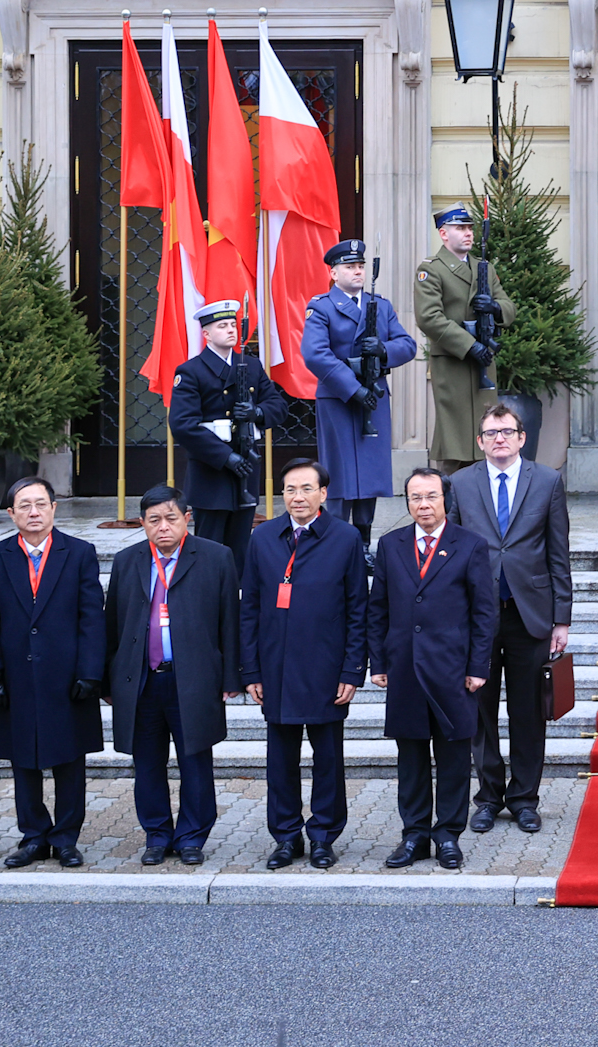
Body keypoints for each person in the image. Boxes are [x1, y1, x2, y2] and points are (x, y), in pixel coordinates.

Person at [240, 458, 369, 870]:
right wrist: (251, 670)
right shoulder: (262, 538)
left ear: (323, 494)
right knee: (280, 760)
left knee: (328, 758)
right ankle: (285, 835)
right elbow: (251, 609)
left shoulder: (346, 538)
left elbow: (357, 610)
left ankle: (323, 836)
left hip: (326, 669)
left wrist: (352, 670)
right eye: (290, 489)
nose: (298, 497)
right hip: (275, 668)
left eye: (306, 489)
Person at [450, 404, 572, 836]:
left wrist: (562, 617)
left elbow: (558, 552)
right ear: (480, 441)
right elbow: (452, 549)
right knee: (480, 712)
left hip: (531, 613)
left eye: (507, 431)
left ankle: (524, 799)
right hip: (476, 616)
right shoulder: (460, 483)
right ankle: (487, 797)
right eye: (491, 432)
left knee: (527, 712)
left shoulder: (548, 481)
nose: (499, 438)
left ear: (522, 438)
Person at [104, 485, 242, 866]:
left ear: (187, 518)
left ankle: (192, 836)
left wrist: (232, 677)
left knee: (195, 761)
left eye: (170, 518)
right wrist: (108, 680)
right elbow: (112, 623)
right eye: (154, 520)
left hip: (193, 679)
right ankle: (157, 834)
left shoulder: (216, 557)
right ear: (142, 524)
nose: (162, 527)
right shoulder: (128, 561)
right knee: (147, 763)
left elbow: (230, 621)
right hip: (142, 679)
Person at [0, 477, 105, 869]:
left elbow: (91, 617)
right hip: (16, 676)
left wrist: (90, 672)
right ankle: (33, 836)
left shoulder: (79, 552)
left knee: (70, 760)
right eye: (24, 505)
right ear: (11, 513)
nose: (34, 512)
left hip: (66, 677)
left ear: (54, 508)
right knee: (23, 761)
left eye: (41, 504)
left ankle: (66, 837)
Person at [370, 470, 496, 871]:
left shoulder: (471, 546)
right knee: (410, 756)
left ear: (445, 499)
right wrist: (379, 661)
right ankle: (414, 835)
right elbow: (378, 608)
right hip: (404, 668)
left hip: (453, 670)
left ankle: (448, 835)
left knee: (454, 756)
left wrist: (478, 666)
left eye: (430, 496)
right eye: (414, 498)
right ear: (406, 502)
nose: (423, 505)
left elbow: (484, 612)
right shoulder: (391, 545)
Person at [301, 238, 419, 560]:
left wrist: (383, 351)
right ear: (333, 272)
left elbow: (407, 344)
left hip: (375, 396)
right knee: (338, 473)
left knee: (370, 473)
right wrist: (353, 389)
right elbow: (315, 355)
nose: (357, 271)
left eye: (361, 266)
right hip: (339, 399)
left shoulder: (380, 305)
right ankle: (337, 543)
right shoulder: (321, 307)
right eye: (350, 266)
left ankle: (364, 543)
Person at [170, 299, 288, 572]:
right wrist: (226, 457)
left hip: (245, 468)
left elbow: (278, 406)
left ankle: (238, 605)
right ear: (207, 334)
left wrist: (256, 412)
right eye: (222, 326)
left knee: (240, 551)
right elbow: (183, 425)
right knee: (209, 551)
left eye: (233, 324)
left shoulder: (252, 366)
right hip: (211, 472)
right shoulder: (191, 372)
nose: (231, 330)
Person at [416, 204, 517, 471]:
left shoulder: (483, 267)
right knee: (455, 437)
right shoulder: (432, 270)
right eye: (460, 228)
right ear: (443, 233)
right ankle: (449, 496)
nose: (468, 234)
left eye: (470, 228)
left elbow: (508, 306)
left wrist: (495, 309)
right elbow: (429, 317)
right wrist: (469, 345)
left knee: (486, 430)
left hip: (483, 361)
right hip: (454, 362)